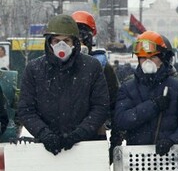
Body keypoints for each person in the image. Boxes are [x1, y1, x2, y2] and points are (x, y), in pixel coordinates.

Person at [17, 14, 109, 155]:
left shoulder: (92, 67)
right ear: (49, 43)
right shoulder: (34, 69)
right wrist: (45, 134)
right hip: (44, 149)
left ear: (74, 42)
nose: (62, 45)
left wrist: (78, 134)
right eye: (56, 40)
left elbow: (100, 106)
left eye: (66, 40)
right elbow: (26, 109)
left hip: (86, 147)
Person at [113, 30, 178, 156]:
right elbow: (122, 120)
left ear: (162, 59)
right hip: (137, 158)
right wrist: (153, 106)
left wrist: (172, 140)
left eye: (152, 57)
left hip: (172, 158)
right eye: (143, 58)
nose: (147, 62)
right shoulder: (128, 87)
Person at [72, 10, 120, 137]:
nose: (80, 41)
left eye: (84, 35)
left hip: (95, 131)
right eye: (76, 37)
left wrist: (115, 132)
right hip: (66, 130)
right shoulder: (59, 65)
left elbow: (114, 101)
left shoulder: (103, 67)